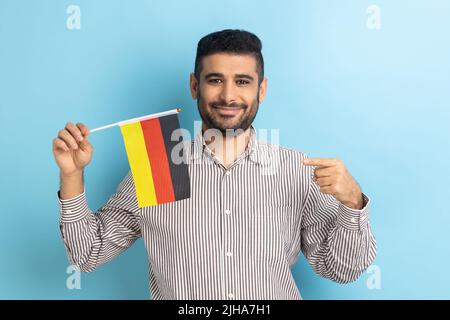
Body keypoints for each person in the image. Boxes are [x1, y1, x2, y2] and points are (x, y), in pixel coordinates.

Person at [52, 29, 376, 300]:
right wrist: (71, 175)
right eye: (216, 80)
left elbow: (342, 270)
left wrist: (352, 203)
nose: (229, 96)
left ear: (261, 89)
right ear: (195, 86)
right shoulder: (158, 168)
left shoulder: (295, 171)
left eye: (243, 81)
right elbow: (87, 253)